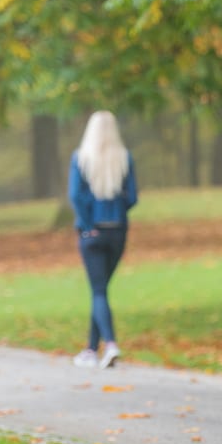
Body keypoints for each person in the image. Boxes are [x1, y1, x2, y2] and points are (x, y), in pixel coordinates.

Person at [68, 110, 138, 369]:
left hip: (92, 233)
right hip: (117, 231)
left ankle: (109, 344)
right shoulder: (124, 159)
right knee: (101, 290)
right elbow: (132, 197)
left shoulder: (81, 158)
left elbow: (75, 195)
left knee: (99, 291)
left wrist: (88, 224)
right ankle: (90, 349)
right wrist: (116, 211)